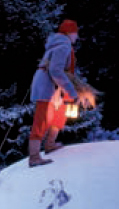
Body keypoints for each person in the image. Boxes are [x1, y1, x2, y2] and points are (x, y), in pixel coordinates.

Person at [29, 19, 80, 167]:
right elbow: (55, 71)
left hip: (53, 86)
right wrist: (71, 90)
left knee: (60, 113)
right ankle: (34, 156)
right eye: (75, 33)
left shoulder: (60, 45)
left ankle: (50, 143)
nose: (77, 36)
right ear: (70, 33)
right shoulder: (63, 46)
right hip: (47, 84)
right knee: (42, 118)